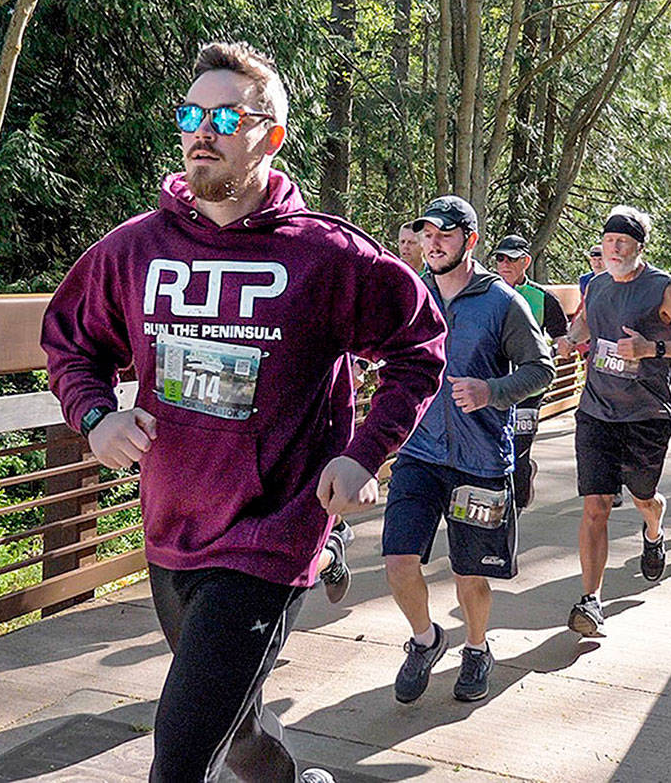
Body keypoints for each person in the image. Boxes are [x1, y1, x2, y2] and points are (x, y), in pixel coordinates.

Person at [40, 41, 446, 783]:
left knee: (180, 750)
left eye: (225, 116)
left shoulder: (329, 256)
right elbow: (71, 342)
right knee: (235, 720)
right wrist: (95, 415)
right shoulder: (134, 249)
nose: (202, 130)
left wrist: (364, 451)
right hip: (173, 523)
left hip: (275, 530)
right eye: (192, 113)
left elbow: (418, 347)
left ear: (272, 135)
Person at [383, 198, 553, 704]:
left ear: (470, 241)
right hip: (419, 451)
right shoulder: (414, 294)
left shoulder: (502, 302)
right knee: (398, 560)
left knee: (470, 573)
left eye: (447, 235)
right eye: (428, 234)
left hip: (479, 458)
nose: (434, 244)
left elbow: (540, 369)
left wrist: (490, 391)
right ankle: (425, 639)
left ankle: (476, 649)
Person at [555, 206, 671, 637]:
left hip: (645, 415)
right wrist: (570, 342)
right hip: (596, 412)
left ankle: (654, 524)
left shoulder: (662, 289)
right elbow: (586, 322)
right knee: (596, 506)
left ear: (639, 247)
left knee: (644, 496)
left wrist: (652, 351)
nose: (614, 248)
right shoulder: (598, 285)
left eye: (622, 242)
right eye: (608, 241)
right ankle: (591, 600)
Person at [493, 234, 567, 509]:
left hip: (528, 389)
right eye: (500, 258)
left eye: (511, 258)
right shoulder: (484, 292)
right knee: (495, 451)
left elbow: (562, 337)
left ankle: (517, 507)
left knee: (519, 453)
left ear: (525, 261)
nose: (504, 264)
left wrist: (554, 350)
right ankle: (501, 508)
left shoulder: (543, 298)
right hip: (493, 387)